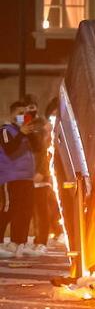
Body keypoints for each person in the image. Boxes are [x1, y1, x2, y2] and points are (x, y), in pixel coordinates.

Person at [0, 100, 38, 258]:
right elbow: (9, 149)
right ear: (12, 114)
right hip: (10, 177)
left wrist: (32, 133)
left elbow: (38, 148)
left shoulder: (27, 132)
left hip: (27, 177)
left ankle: (18, 243)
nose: (23, 116)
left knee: (25, 211)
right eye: (19, 113)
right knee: (9, 210)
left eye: (25, 113)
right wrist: (22, 133)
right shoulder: (5, 130)